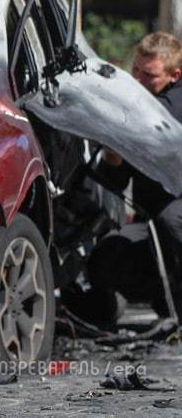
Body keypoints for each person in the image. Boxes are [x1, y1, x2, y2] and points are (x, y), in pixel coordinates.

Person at [83, 32, 182, 324]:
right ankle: (166, 301)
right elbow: (113, 177)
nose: (137, 80)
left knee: (171, 220)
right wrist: (114, 153)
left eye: (148, 75)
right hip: (151, 224)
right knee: (106, 257)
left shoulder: (170, 103)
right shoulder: (141, 102)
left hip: (173, 212)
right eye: (135, 70)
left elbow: (159, 116)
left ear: (175, 75)